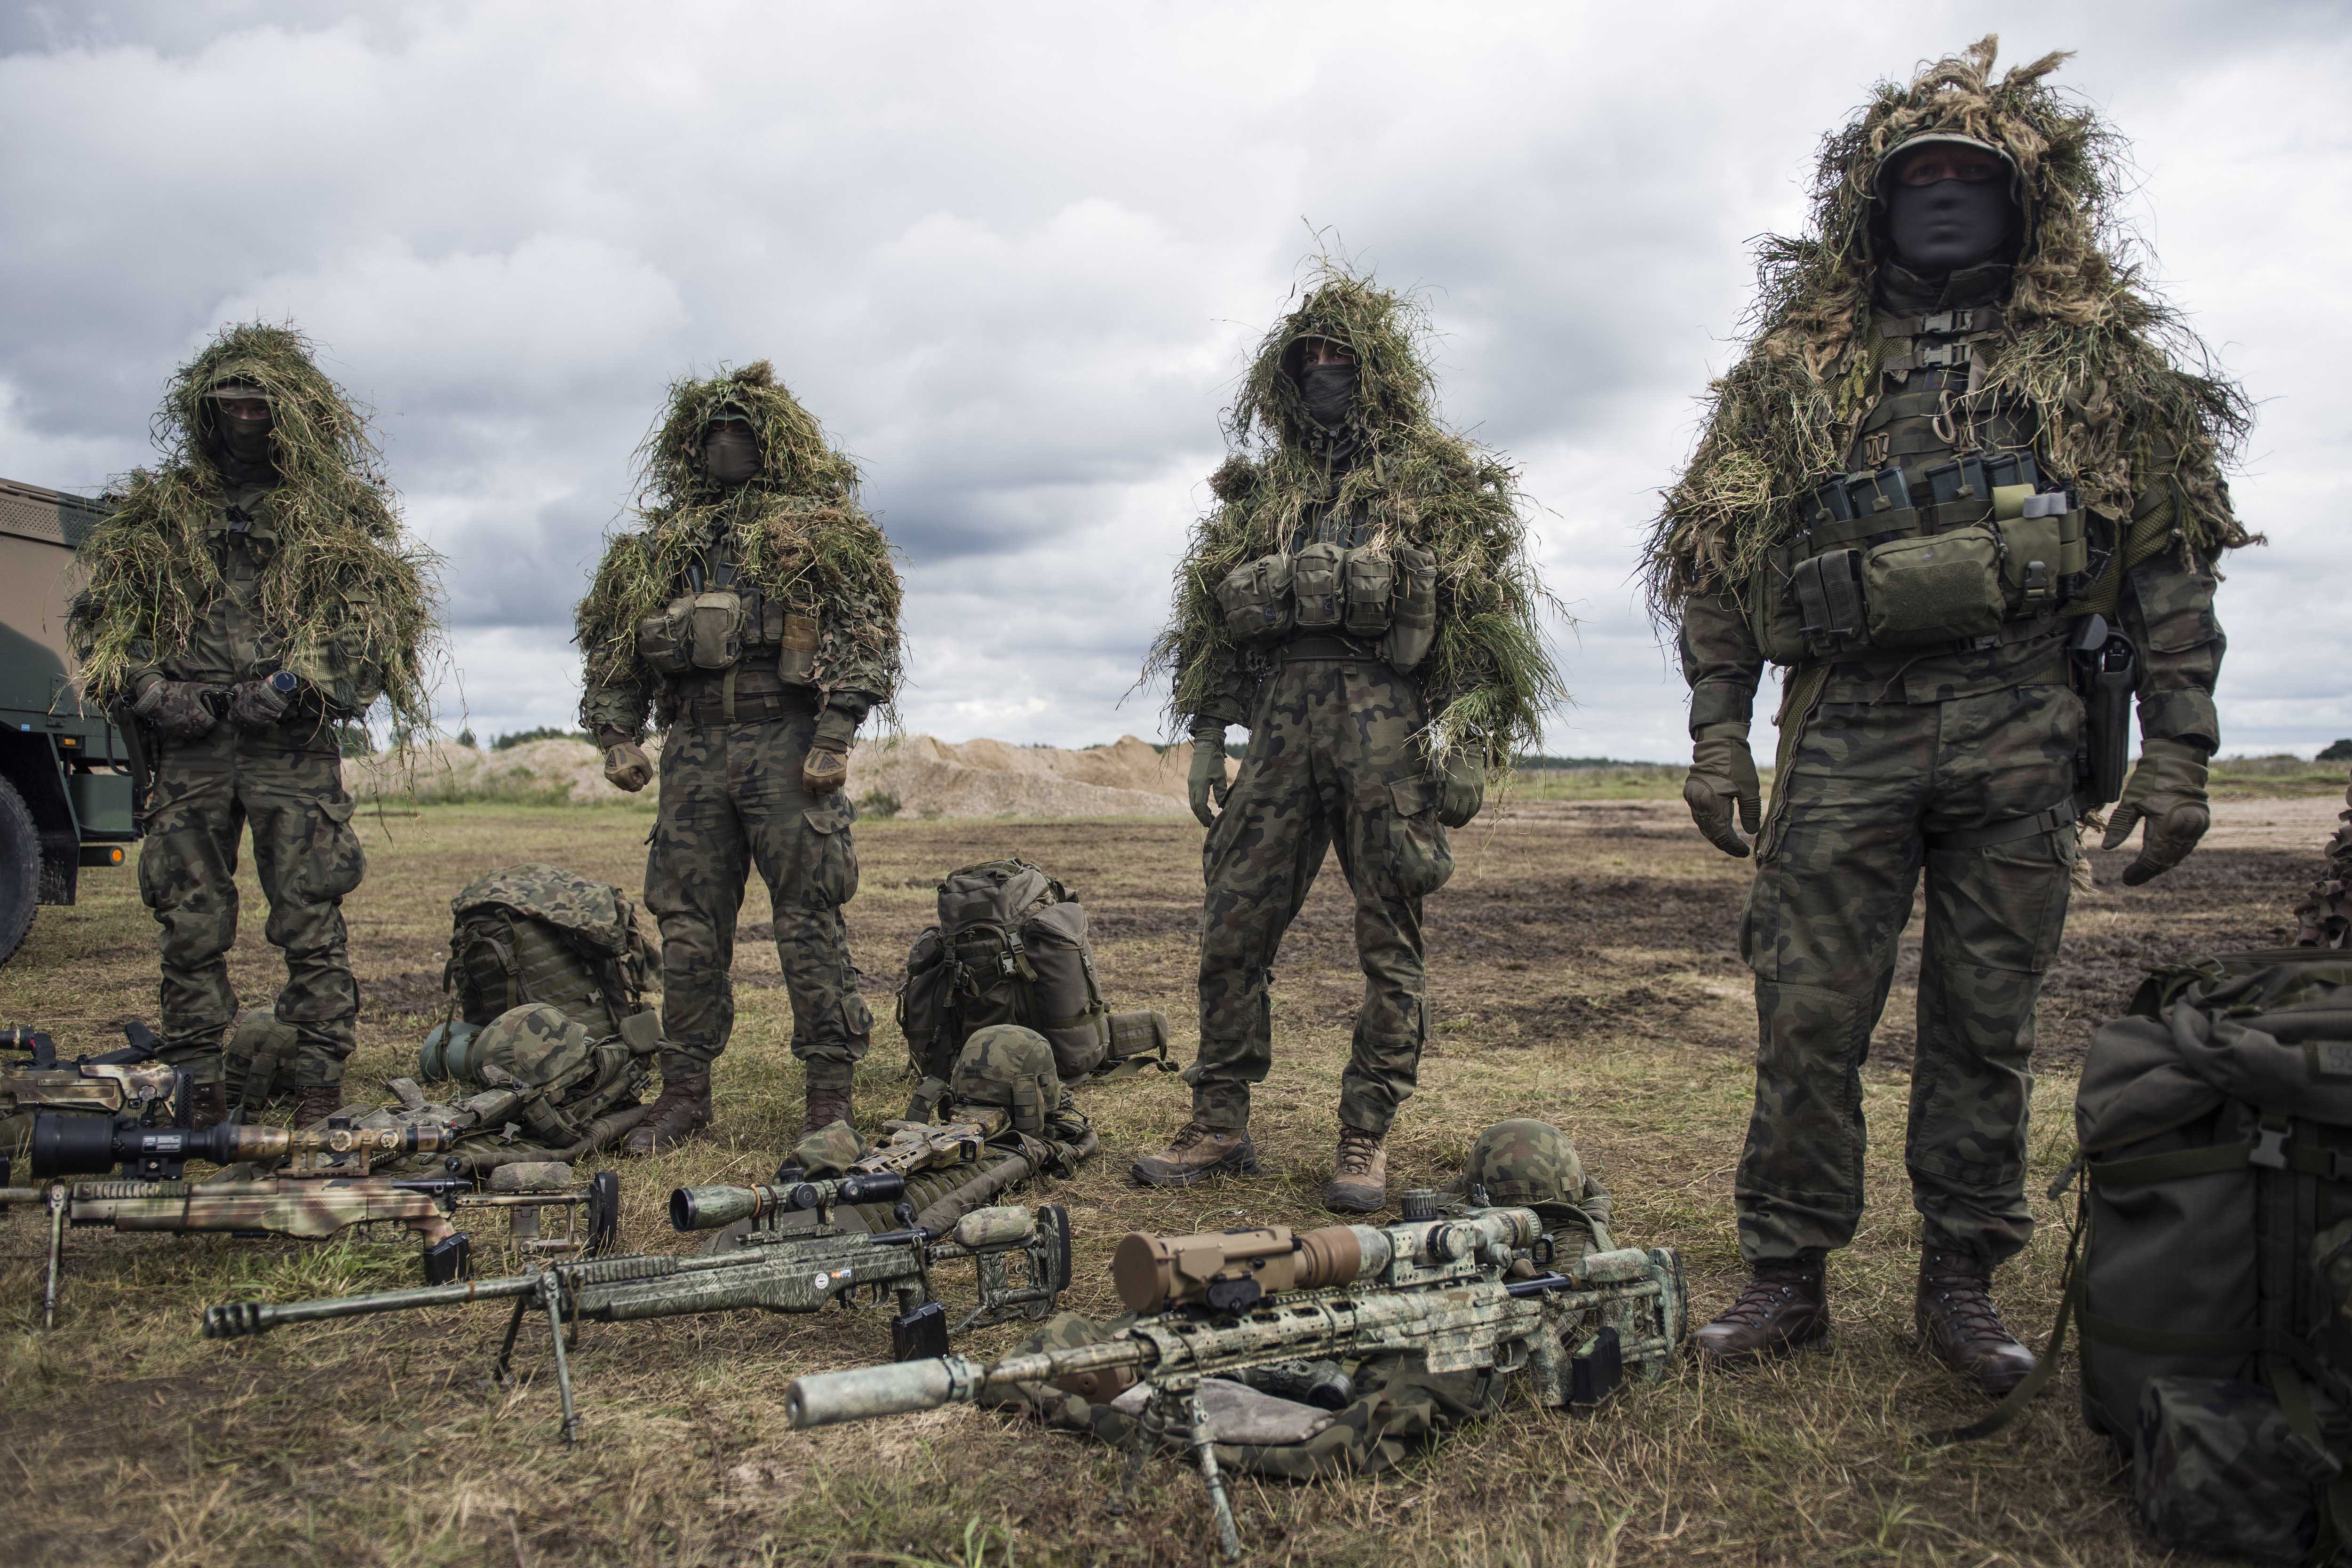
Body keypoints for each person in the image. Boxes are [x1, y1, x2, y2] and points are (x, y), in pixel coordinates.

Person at [1642, 39, 2251, 1395]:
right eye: (1911, 179)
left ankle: (1963, 1278)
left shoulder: (2094, 375)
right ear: (1870, 206)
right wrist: (1718, 734)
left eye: (1966, 179)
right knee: (1808, 1014)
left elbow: (2167, 568)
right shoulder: (1797, 379)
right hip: (1846, 728)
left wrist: (2180, 754)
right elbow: (1720, 563)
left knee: (1987, 1020)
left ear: (2024, 203)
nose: (1938, 199)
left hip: (2020, 724)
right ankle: (1788, 1273)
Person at [1136, 262, 1565, 1213]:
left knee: (1390, 939)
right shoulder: (1265, 494)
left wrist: (1465, 745)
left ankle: (1366, 1131)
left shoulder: (1429, 481)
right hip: (1282, 722)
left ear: (1376, 369)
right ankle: (1219, 1117)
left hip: (1386, 724)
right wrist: (1209, 731)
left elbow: (1482, 626)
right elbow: (1213, 623)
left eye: (1340, 357)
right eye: (1308, 358)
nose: (1324, 369)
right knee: (1233, 922)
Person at [67, 324, 439, 1129]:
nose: (245, 416)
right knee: (188, 920)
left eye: (260, 402)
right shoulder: (160, 516)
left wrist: (301, 681)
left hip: (290, 746)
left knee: (310, 916)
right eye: (229, 402)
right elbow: (106, 628)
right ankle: (196, 1085)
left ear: (292, 413)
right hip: (192, 745)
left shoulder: (328, 517)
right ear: (205, 411)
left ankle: (315, 1088)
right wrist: (153, 689)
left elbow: (372, 626)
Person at [575, 361, 902, 1152]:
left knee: (808, 919)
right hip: (692, 747)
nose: (727, 447)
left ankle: (829, 1095)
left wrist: (836, 733)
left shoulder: (816, 534)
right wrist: (617, 734)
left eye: (742, 434)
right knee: (686, 925)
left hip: (785, 741)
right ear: (690, 449)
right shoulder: (660, 547)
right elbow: (617, 648)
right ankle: (683, 1092)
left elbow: (867, 633)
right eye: (713, 436)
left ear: (773, 444)